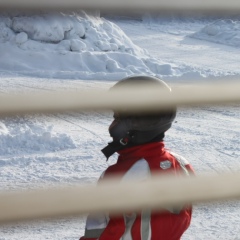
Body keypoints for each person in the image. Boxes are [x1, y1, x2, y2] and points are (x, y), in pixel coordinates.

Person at [80, 76, 194, 240]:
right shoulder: (182, 164)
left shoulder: (118, 175)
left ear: (137, 124)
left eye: (117, 118)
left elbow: (99, 232)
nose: (113, 125)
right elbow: (183, 218)